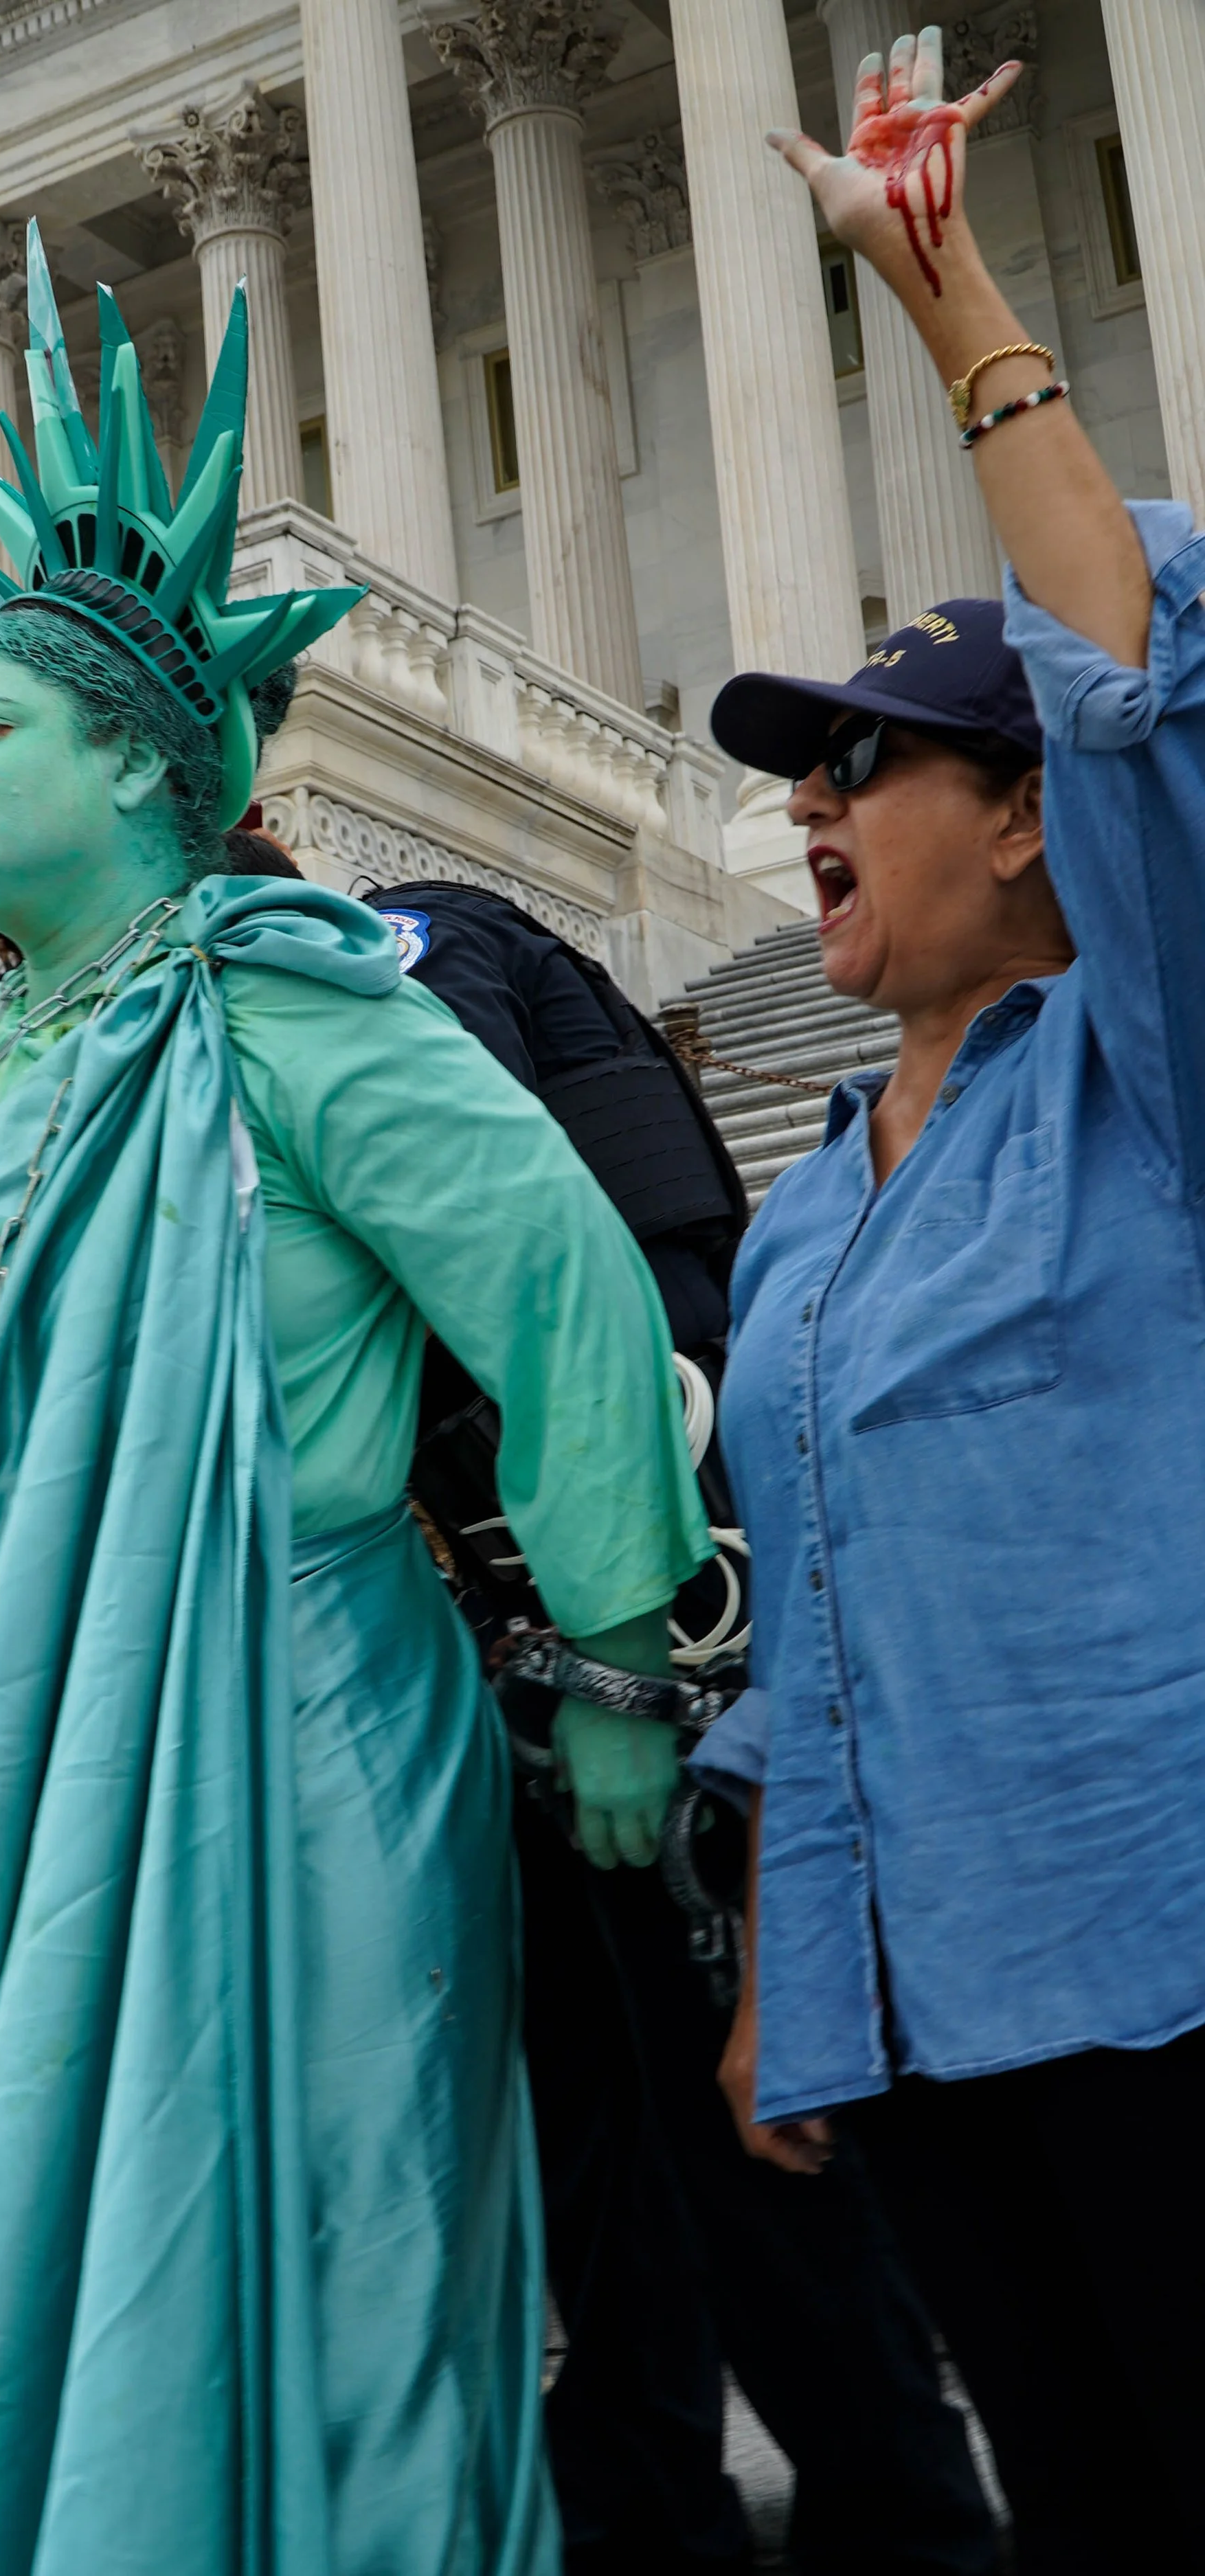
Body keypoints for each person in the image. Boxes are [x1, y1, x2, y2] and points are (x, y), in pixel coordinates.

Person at [0, 229, 712, 2576]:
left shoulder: (300, 1008)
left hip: (296, 1731)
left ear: (144, 770)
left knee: (319, 2264)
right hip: (16, 1762)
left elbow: (572, 1288)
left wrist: (614, 1668)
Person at [699, 30, 1205, 2574]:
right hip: (914, 2008)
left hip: (1160, 1968)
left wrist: (942, 289)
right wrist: (793, 1960)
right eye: (805, 762)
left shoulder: (1155, 1072)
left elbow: (1142, 687)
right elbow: (808, 1623)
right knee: (1074, 2520)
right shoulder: (798, 1219)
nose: (812, 793)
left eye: (869, 753)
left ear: (1019, 813)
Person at [375, 881, 995, 2576]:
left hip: (644, 1587)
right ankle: (653, 2501)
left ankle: (901, 2516)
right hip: (535, 1597)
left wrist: (612, 1654)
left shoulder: (395, 945)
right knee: (590, 2103)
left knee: (731, 2111)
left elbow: (499, 1258)